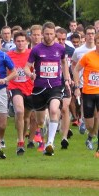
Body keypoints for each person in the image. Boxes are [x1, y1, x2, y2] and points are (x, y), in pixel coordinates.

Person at [27, 23, 71, 156]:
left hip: (55, 86)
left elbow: (63, 63)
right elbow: (26, 66)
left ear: (55, 34)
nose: (49, 36)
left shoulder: (60, 49)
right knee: (40, 120)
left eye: (51, 34)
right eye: (46, 34)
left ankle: (50, 143)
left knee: (54, 110)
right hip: (39, 87)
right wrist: (30, 74)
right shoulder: (36, 50)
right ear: (42, 34)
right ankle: (45, 125)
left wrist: (67, 78)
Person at [5, 31, 33, 155]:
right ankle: (20, 141)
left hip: (29, 87)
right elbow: (4, 70)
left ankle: (23, 133)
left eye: (23, 41)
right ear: (14, 42)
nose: (21, 43)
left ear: (27, 42)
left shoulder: (31, 53)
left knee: (26, 118)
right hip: (15, 86)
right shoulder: (9, 55)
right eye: (18, 41)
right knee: (19, 111)